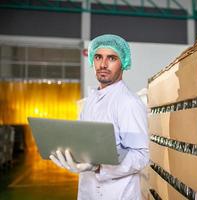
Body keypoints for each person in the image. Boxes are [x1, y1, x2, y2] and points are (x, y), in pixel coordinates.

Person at [49, 34, 149, 200]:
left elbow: (141, 156)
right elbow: (82, 142)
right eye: (98, 57)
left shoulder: (128, 103)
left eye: (111, 58)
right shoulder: (90, 102)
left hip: (118, 194)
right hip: (88, 192)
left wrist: (98, 167)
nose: (103, 64)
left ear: (123, 62)